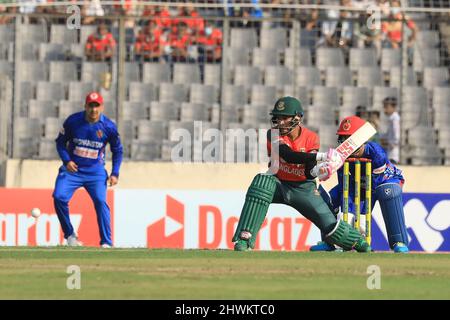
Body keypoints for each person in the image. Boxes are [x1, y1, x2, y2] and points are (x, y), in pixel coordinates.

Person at [232, 96, 372, 253]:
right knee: (261, 183)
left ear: (297, 118)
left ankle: (357, 241)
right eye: (278, 118)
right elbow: (288, 155)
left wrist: (321, 170)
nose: (281, 122)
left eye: (285, 118)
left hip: (303, 188)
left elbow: (308, 172)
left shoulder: (311, 138)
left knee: (329, 225)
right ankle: (244, 239)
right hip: (278, 184)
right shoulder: (273, 133)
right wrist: (323, 156)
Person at [310, 115, 409, 253]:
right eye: (343, 139)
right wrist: (347, 214)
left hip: (386, 180)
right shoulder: (340, 156)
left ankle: (399, 241)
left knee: (388, 192)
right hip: (356, 184)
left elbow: (373, 188)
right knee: (327, 199)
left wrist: (361, 214)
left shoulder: (376, 153)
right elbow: (345, 188)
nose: (345, 144)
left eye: (349, 139)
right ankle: (329, 242)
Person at [53, 92, 123, 248]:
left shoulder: (109, 127)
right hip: (72, 170)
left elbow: (118, 150)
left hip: (95, 172)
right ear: (85, 106)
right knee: (59, 197)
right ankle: (70, 235)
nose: (94, 110)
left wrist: (115, 173)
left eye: (97, 106)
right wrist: (67, 160)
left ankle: (106, 242)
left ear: (102, 107)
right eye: (91, 106)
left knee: (100, 201)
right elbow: (60, 143)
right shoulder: (73, 121)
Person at [380, 96, 400, 164]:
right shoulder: (391, 118)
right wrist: (383, 137)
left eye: (386, 107)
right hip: (390, 145)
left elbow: (396, 131)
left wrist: (394, 142)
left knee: (392, 164)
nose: (385, 109)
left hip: (393, 146)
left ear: (393, 107)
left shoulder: (395, 118)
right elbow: (389, 132)